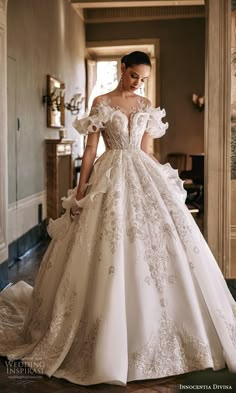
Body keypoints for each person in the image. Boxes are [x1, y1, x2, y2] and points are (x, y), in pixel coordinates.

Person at [0, 51, 235, 387]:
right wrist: (80, 190)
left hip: (140, 172)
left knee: (158, 246)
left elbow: (145, 148)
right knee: (104, 244)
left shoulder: (145, 103)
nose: (138, 83)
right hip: (109, 173)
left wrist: (167, 176)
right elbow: (92, 149)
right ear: (122, 69)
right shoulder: (101, 101)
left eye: (143, 78)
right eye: (133, 76)